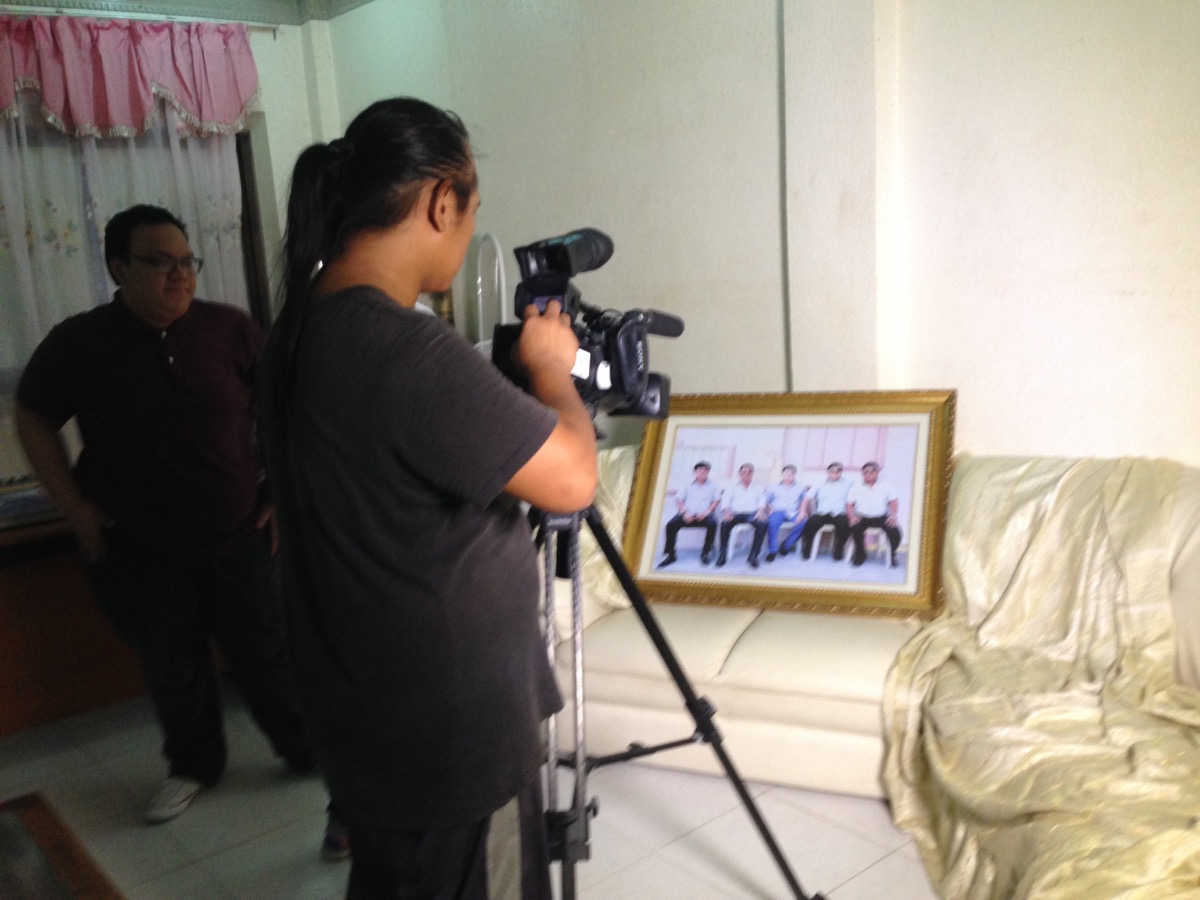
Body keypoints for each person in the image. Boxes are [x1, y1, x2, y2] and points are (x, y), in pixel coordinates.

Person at [258, 97, 597, 900]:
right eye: (474, 205)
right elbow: (573, 476)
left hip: (369, 717)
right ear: (443, 201)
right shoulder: (402, 348)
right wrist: (552, 367)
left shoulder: (301, 331)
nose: (472, 222)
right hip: (452, 738)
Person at [14, 204, 324, 832]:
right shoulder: (81, 342)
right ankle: (193, 766)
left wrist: (281, 495)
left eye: (188, 262)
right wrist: (72, 505)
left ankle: (307, 754)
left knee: (269, 658)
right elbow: (33, 416)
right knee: (173, 669)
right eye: (161, 262)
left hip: (239, 537)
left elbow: (283, 410)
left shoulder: (230, 329)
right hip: (137, 549)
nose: (180, 276)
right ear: (118, 267)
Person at [658, 461, 721, 567]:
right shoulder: (687, 485)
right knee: (671, 525)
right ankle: (671, 555)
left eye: (705, 470)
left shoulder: (713, 486)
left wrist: (706, 513)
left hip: (704, 515)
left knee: (713, 523)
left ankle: (705, 553)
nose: (703, 471)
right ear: (695, 472)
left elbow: (716, 501)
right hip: (687, 515)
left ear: (708, 472)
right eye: (700, 469)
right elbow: (678, 499)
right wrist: (685, 512)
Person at [846, 461, 902, 567]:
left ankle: (892, 555)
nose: (869, 474)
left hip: (880, 517)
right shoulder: (856, 486)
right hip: (862, 516)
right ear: (863, 473)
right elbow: (849, 504)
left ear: (878, 472)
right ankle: (860, 554)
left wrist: (893, 515)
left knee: (896, 532)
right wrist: (852, 516)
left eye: (873, 471)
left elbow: (894, 501)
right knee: (854, 528)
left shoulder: (886, 485)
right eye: (866, 472)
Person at [795, 461, 852, 561]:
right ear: (828, 472)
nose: (834, 474)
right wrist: (802, 511)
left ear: (841, 472)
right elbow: (807, 498)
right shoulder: (819, 483)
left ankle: (838, 550)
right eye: (832, 471)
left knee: (845, 526)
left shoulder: (848, 484)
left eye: (838, 471)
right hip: (822, 512)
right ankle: (807, 549)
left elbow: (854, 499)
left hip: (839, 513)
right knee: (810, 524)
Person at [716, 463, 768, 568]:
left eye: (749, 472)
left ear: (752, 474)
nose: (746, 474)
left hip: (752, 514)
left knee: (763, 524)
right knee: (725, 523)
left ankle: (753, 555)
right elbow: (725, 500)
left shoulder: (758, 487)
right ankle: (723, 554)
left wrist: (760, 511)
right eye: (743, 472)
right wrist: (726, 513)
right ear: (739, 474)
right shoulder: (732, 486)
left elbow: (762, 500)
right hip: (735, 514)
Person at [764, 464, 807, 562]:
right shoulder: (773, 486)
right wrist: (769, 510)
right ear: (782, 474)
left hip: (793, 512)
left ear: (794, 475)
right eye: (785, 473)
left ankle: (786, 545)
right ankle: (773, 551)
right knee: (772, 523)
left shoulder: (800, 487)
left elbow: (804, 500)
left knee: (803, 521)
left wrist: (802, 512)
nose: (787, 476)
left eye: (790, 474)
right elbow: (765, 499)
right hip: (777, 511)